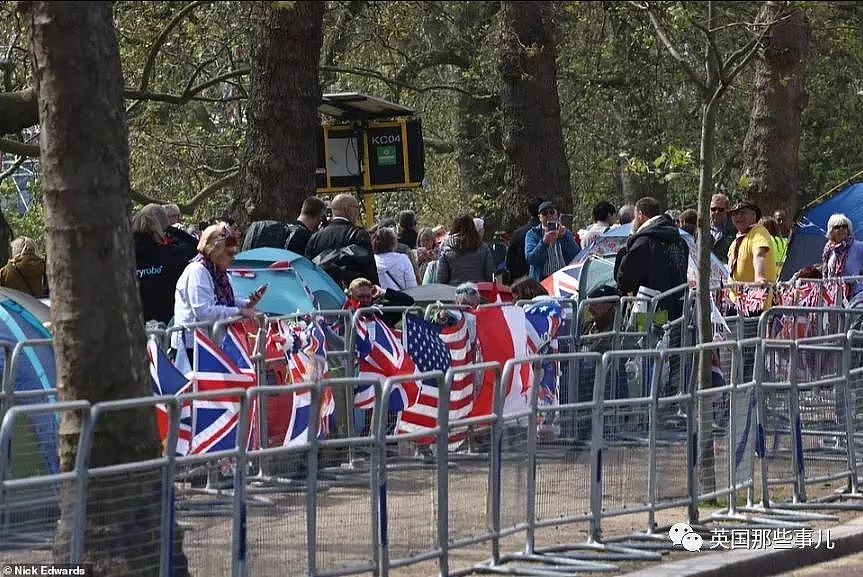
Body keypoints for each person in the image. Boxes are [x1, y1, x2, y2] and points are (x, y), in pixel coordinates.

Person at [171, 222, 262, 355]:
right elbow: (204, 312)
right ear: (216, 251)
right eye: (230, 253)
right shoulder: (197, 271)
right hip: (191, 347)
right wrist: (240, 311)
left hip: (211, 343)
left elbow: (229, 301)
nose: (233, 258)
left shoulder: (221, 274)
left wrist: (248, 304)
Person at [614, 196, 689, 320]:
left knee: (649, 339)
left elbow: (624, 280)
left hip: (649, 314)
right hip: (678, 312)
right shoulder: (680, 242)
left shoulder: (643, 243)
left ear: (640, 215)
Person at [133, 204, 197, 324]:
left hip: (134, 324)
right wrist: (171, 229)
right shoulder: (173, 254)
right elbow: (197, 247)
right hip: (167, 323)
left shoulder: (125, 257)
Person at [305, 193, 379, 287]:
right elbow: (369, 269)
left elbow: (309, 268)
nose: (358, 212)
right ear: (347, 209)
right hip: (353, 294)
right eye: (357, 208)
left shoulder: (315, 237)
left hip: (324, 292)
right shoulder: (359, 234)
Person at [525, 201, 580, 282]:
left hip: (564, 278)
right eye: (545, 213)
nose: (549, 215)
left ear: (557, 214)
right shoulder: (533, 234)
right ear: (540, 217)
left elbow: (576, 255)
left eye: (551, 212)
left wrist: (565, 237)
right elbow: (531, 259)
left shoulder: (564, 232)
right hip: (543, 279)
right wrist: (544, 243)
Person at [728, 201, 778, 285]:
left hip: (756, 295)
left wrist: (760, 277)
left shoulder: (758, 232)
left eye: (742, 213)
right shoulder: (736, 241)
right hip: (736, 296)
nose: (738, 217)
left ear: (753, 215)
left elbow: (759, 254)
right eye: (735, 214)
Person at [437, 215, 495, 286]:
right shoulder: (483, 248)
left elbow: (442, 278)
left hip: (454, 292)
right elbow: (490, 275)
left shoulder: (446, 248)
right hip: (478, 292)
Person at [821, 213, 863, 302]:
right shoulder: (829, 250)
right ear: (831, 231)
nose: (841, 229)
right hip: (834, 295)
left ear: (848, 230)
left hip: (856, 295)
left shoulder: (858, 246)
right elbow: (827, 272)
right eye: (837, 227)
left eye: (844, 226)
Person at [506, 197, 544, 281]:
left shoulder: (518, 234)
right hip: (544, 278)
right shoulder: (552, 234)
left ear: (528, 212)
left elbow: (509, 262)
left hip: (521, 280)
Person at [373, 227, 417, 292]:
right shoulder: (403, 259)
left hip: (378, 300)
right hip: (401, 300)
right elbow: (412, 287)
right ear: (394, 243)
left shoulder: (372, 261)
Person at [709, 193, 736, 264]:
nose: (716, 212)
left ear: (727, 210)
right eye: (713, 209)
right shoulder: (701, 229)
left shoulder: (735, 230)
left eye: (720, 209)